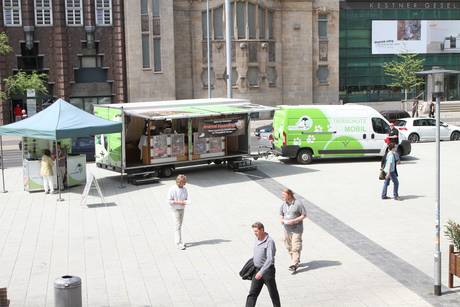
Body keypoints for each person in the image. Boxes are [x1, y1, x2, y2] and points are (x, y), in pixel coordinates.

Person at [246, 222, 281, 307]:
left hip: (267, 271)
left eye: (256, 231)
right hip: (257, 271)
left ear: (262, 230)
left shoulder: (269, 241)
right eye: (254, 231)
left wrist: (261, 272)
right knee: (252, 294)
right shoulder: (257, 238)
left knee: (273, 293)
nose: (255, 233)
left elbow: (270, 259)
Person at [279, 188, 306, 273]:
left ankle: (294, 264)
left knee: (295, 245)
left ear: (289, 195)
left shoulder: (298, 204)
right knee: (288, 246)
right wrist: (282, 219)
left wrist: (294, 221)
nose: (282, 196)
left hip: (296, 229)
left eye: (284, 195)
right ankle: (295, 260)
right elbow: (281, 214)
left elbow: (304, 215)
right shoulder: (284, 204)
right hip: (287, 229)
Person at [168, 174, 190, 250]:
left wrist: (186, 201)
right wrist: (179, 202)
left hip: (182, 208)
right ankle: (179, 243)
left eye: (184, 182)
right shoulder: (172, 189)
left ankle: (179, 241)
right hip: (175, 209)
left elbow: (186, 198)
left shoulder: (184, 189)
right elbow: (169, 201)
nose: (184, 183)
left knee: (179, 225)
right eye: (183, 182)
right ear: (178, 182)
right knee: (177, 226)